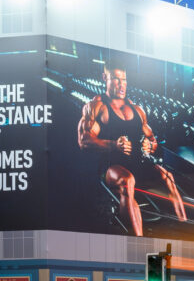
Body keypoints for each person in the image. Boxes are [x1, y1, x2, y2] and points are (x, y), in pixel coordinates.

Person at [78, 58, 188, 237]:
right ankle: (138, 242)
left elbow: (153, 141)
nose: (121, 85)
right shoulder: (98, 107)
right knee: (128, 180)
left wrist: (149, 145)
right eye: (116, 79)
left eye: (124, 80)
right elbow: (84, 140)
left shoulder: (137, 110)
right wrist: (114, 145)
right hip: (111, 166)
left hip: (138, 164)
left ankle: (185, 229)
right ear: (104, 77)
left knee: (167, 176)